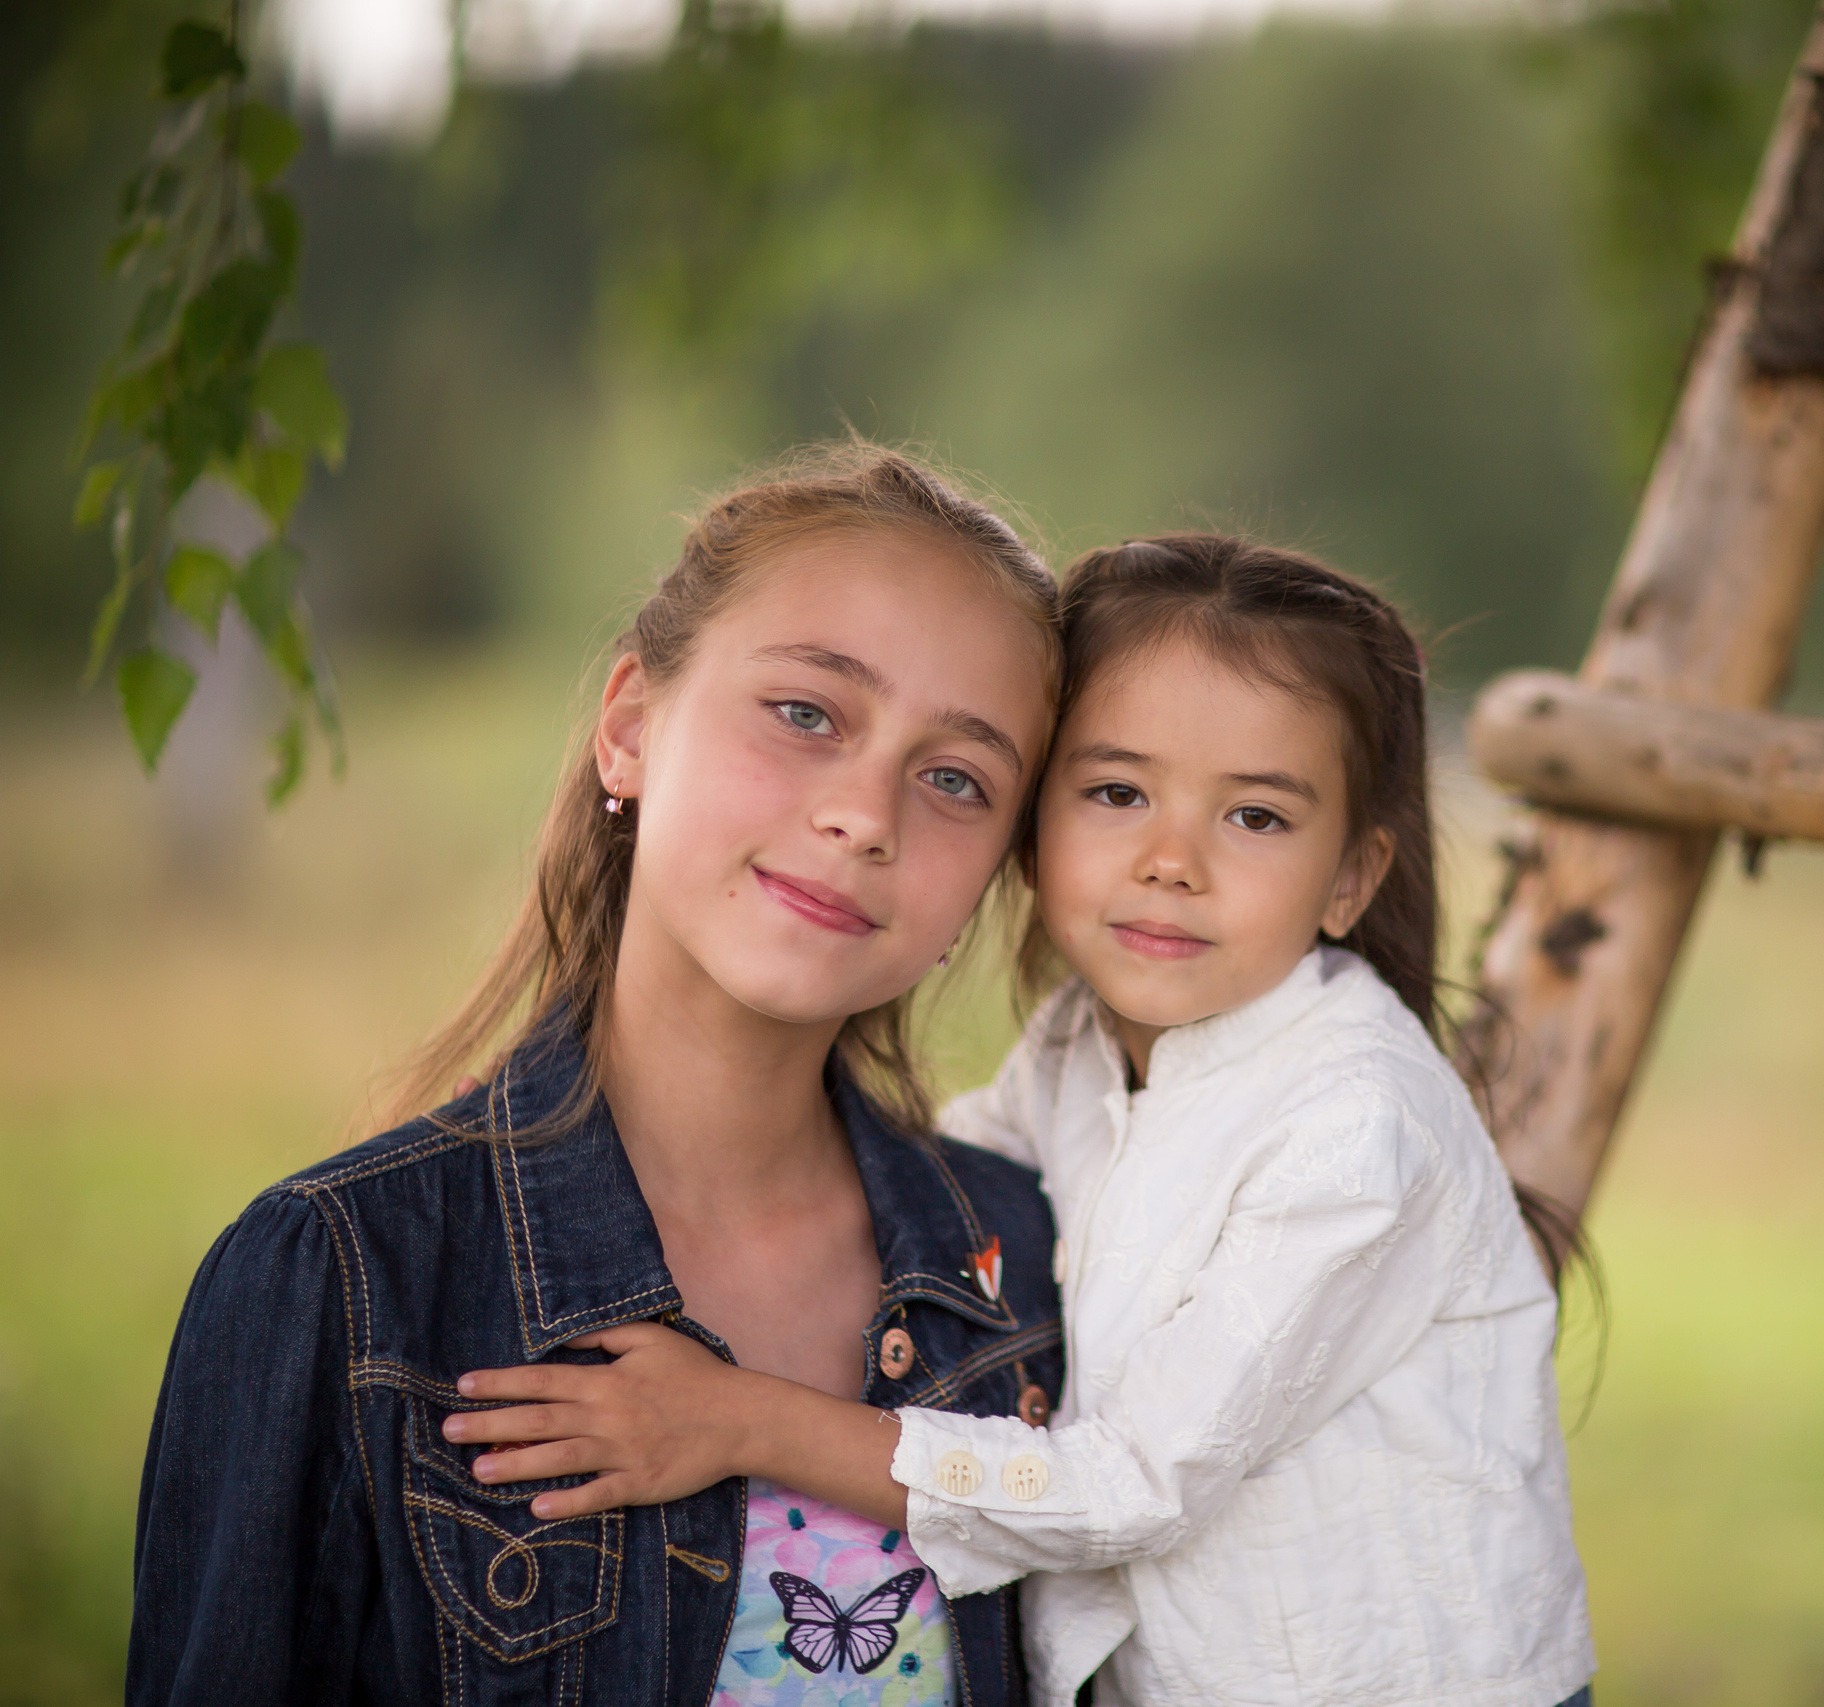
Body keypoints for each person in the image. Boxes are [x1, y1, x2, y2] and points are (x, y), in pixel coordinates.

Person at [449, 534, 1597, 1707]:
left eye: (1254, 818)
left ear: (1350, 878)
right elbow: (934, 1198)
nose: (1169, 862)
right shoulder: (1075, 1045)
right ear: (1030, 833)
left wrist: (740, 1419)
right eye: (1115, 793)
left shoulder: (1356, 1128)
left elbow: (1133, 1485)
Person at [128, 444, 1069, 1707]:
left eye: (956, 778)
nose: (867, 814)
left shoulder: (1026, 1266)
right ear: (629, 728)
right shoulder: (343, 1282)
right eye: (806, 713)